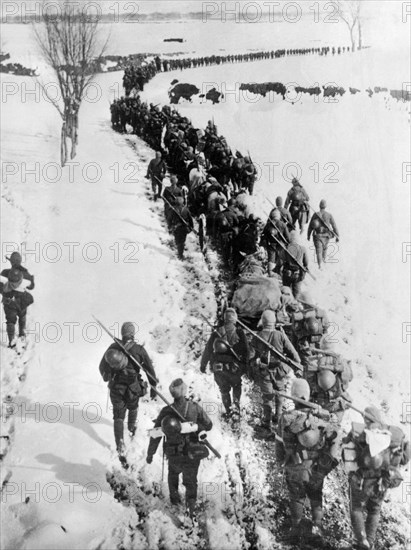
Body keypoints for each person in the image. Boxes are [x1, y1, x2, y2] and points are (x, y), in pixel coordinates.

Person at [275, 379, 340, 545]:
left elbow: (280, 441)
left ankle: (296, 528)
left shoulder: (286, 418)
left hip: (295, 464)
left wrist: (280, 460)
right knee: (316, 495)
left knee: (296, 496)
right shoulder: (321, 416)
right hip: (316, 465)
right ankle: (317, 528)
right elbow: (333, 437)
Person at [342, 406, 410, 550]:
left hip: (362, 480)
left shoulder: (359, 431)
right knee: (374, 510)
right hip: (384, 480)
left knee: (356, 509)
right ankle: (370, 543)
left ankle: (361, 541)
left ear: (366, 418)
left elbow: (347, 453)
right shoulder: (395, 433)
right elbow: (405, 456)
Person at [146, 378, 213, 517]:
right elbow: (209, 425)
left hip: (173, 452)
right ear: (184, 391)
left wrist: (150, 454)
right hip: (192, 451)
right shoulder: (194, 407)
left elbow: (156, 434)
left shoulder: (166, 411)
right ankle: (191, 508)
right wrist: (197, 426)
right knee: (191, 481)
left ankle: (175, 501)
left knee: (173, 475)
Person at [99, 322, 157, 466]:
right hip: (133, 387)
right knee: (133, 407)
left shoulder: (113, 348)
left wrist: (107, 376)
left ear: (122, 333)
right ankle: (131, 429)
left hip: (116, 387)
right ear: (132, 333)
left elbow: (102, 367)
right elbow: (149, 369)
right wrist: (153, 386)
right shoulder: (139, 350)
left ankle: (120, 444)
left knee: (118, 416)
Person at [250, 310, 300, 432]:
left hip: (265, 370)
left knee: (267, 397)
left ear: (263, 321)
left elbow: (251, 357)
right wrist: (290, 364)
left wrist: (256, 365)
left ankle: (266, 424)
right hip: (279, 371)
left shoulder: (257, 336)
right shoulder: (281, 335)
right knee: (280, 392)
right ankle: (278, 418)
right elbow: (294, 355)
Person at [200, 308, 249, 418]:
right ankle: (236, 408)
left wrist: (203, 365)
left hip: (219, 368)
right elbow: (246, 350)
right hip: (234, 368)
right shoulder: (239, 332)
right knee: (237, 386)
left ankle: (228, 411)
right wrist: (246, 367)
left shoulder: (216, 332)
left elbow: (208, 349)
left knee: (224, 389)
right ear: (235, 318)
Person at [0, 265, 34, 348]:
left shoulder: (5, 273)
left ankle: (11, 341)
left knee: (10, 321)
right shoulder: (24, 274)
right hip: (22, 302)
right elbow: (31, 286)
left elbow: (1, 289)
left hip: (9, 303)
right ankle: (22, 334)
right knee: (22, 317)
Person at [307, 200, 339, 269]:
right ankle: (324, 261)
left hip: (317, 236)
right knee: (325, 248)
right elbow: (334, 226)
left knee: (318, 251)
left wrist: (308, 235)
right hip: (326, 236)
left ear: (319, 206)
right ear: (325, 206)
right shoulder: (329, 215)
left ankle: (320, 265)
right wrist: (337, 236)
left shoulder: (316, 214)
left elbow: (310, 226)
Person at [260, 210, 290, 276]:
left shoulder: (268, 224)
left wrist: (262, 245)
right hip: (281, 246)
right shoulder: (283, 224)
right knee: (280, 260)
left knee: (271, 260)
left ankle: (271, 275)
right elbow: (288, 237)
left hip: (271, 245)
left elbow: (263, 235)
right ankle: (278, 275)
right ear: (279, 216)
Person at [280, 231, 309, 297]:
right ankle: (295, 304)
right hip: (297, 274)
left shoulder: (286, 248)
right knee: (296, 293)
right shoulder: (303, 249)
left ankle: (286, 303)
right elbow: (306, 263)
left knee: (285, 292)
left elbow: (281, 260)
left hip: (287, 273)